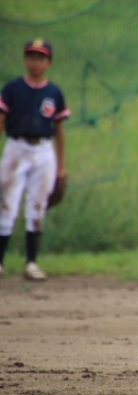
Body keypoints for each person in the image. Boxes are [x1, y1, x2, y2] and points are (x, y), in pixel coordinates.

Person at [0, 38, 70, 281]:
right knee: (7, 204)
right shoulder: (13, 89)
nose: (35, 62)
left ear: (49, 63)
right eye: (31, 57)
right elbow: (1, 121)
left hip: (43, 151)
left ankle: (31, 263)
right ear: (25, 59)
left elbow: (59, 130)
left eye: (41, 58)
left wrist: (61, 167)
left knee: (37, 206)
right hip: (16, 148)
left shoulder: (54, 93)